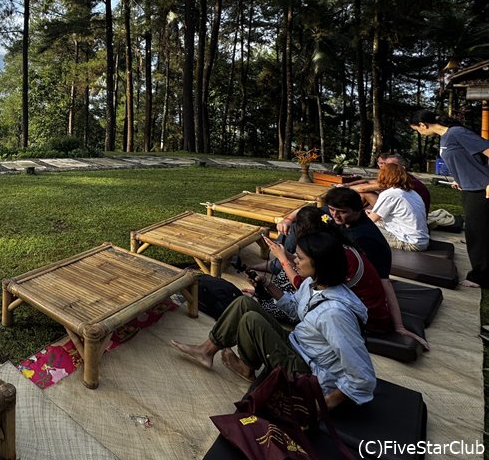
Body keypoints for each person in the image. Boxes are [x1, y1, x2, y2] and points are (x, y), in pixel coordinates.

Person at [171, 231, 375, 409]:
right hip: (298, 345)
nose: (294, 260)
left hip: (309, 373)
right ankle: (206, 351)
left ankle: (246, 367)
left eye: (300, 258)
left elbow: (363, 375)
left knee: (252, 319)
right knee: (244, 303)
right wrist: (268, 285)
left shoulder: (335, 314)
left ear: (319, 264)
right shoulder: (314, 284)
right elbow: (296, 309)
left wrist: (326, 403)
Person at [261, 207, 428, 349]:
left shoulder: (330, 258)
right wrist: (285, 257)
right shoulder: (335, 244)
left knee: (268, 303)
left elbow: (303, 284)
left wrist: (283, 260)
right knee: (284, 278)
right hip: (365, 306)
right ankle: (266, 293)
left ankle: (265, 298)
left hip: (364, 320)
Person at [410, 109, 489, 288]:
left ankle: (480, 277)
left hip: (482, 188)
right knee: (477, 231)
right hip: (469, 187)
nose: (419, 133)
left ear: (423, 125)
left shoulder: (457, 133)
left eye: (417, 130)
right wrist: (459, 179)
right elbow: (464, 161)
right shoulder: (445, 137)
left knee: (478, 233)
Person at [366, 162, 429, 251]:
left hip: (410, 243)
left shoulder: (390, 194)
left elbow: (370, 220)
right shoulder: (413, 193)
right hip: (422, 241)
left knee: (362, 228)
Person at [350, 152, 431, 211]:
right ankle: (354, 211)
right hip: (406, 210)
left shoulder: (402, 180)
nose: (385, 167)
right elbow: (369, 182)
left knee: (367, 193)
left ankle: (354, 213)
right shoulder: (400, 177)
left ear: (401, 167)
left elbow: (364, 189)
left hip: (411, 215)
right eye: (384, 164)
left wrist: (343, 188)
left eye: (390, 166)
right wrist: (346, 185)